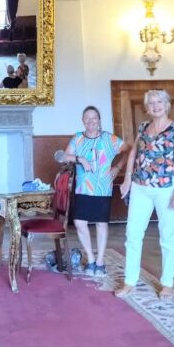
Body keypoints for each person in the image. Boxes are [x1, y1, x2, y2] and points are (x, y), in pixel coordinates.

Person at [116, 89, 174, 300]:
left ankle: (167, 283)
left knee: (168, 237)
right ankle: (130, 281)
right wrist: (128, 178)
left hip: (166, 188)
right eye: (152, 103)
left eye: (159, 102)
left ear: (167, 105)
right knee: (133, 234)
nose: (156, 106)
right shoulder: (143, 127)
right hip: (140, 187)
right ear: (147, 108)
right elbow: (133, 154)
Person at [64, 105, 131, 277]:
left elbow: (129, 150)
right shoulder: (78, 138)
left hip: (102, 188)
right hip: (83, 188)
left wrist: (117, 168)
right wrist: (79, 158)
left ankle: (100, 262)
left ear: (99, 121)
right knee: (79, 222)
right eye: (87, 118)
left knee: (101, 224)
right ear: (83, 121)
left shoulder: (109, 139)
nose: (91, 121)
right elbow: (63, 156)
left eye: (94, 118)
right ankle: (91, 259)